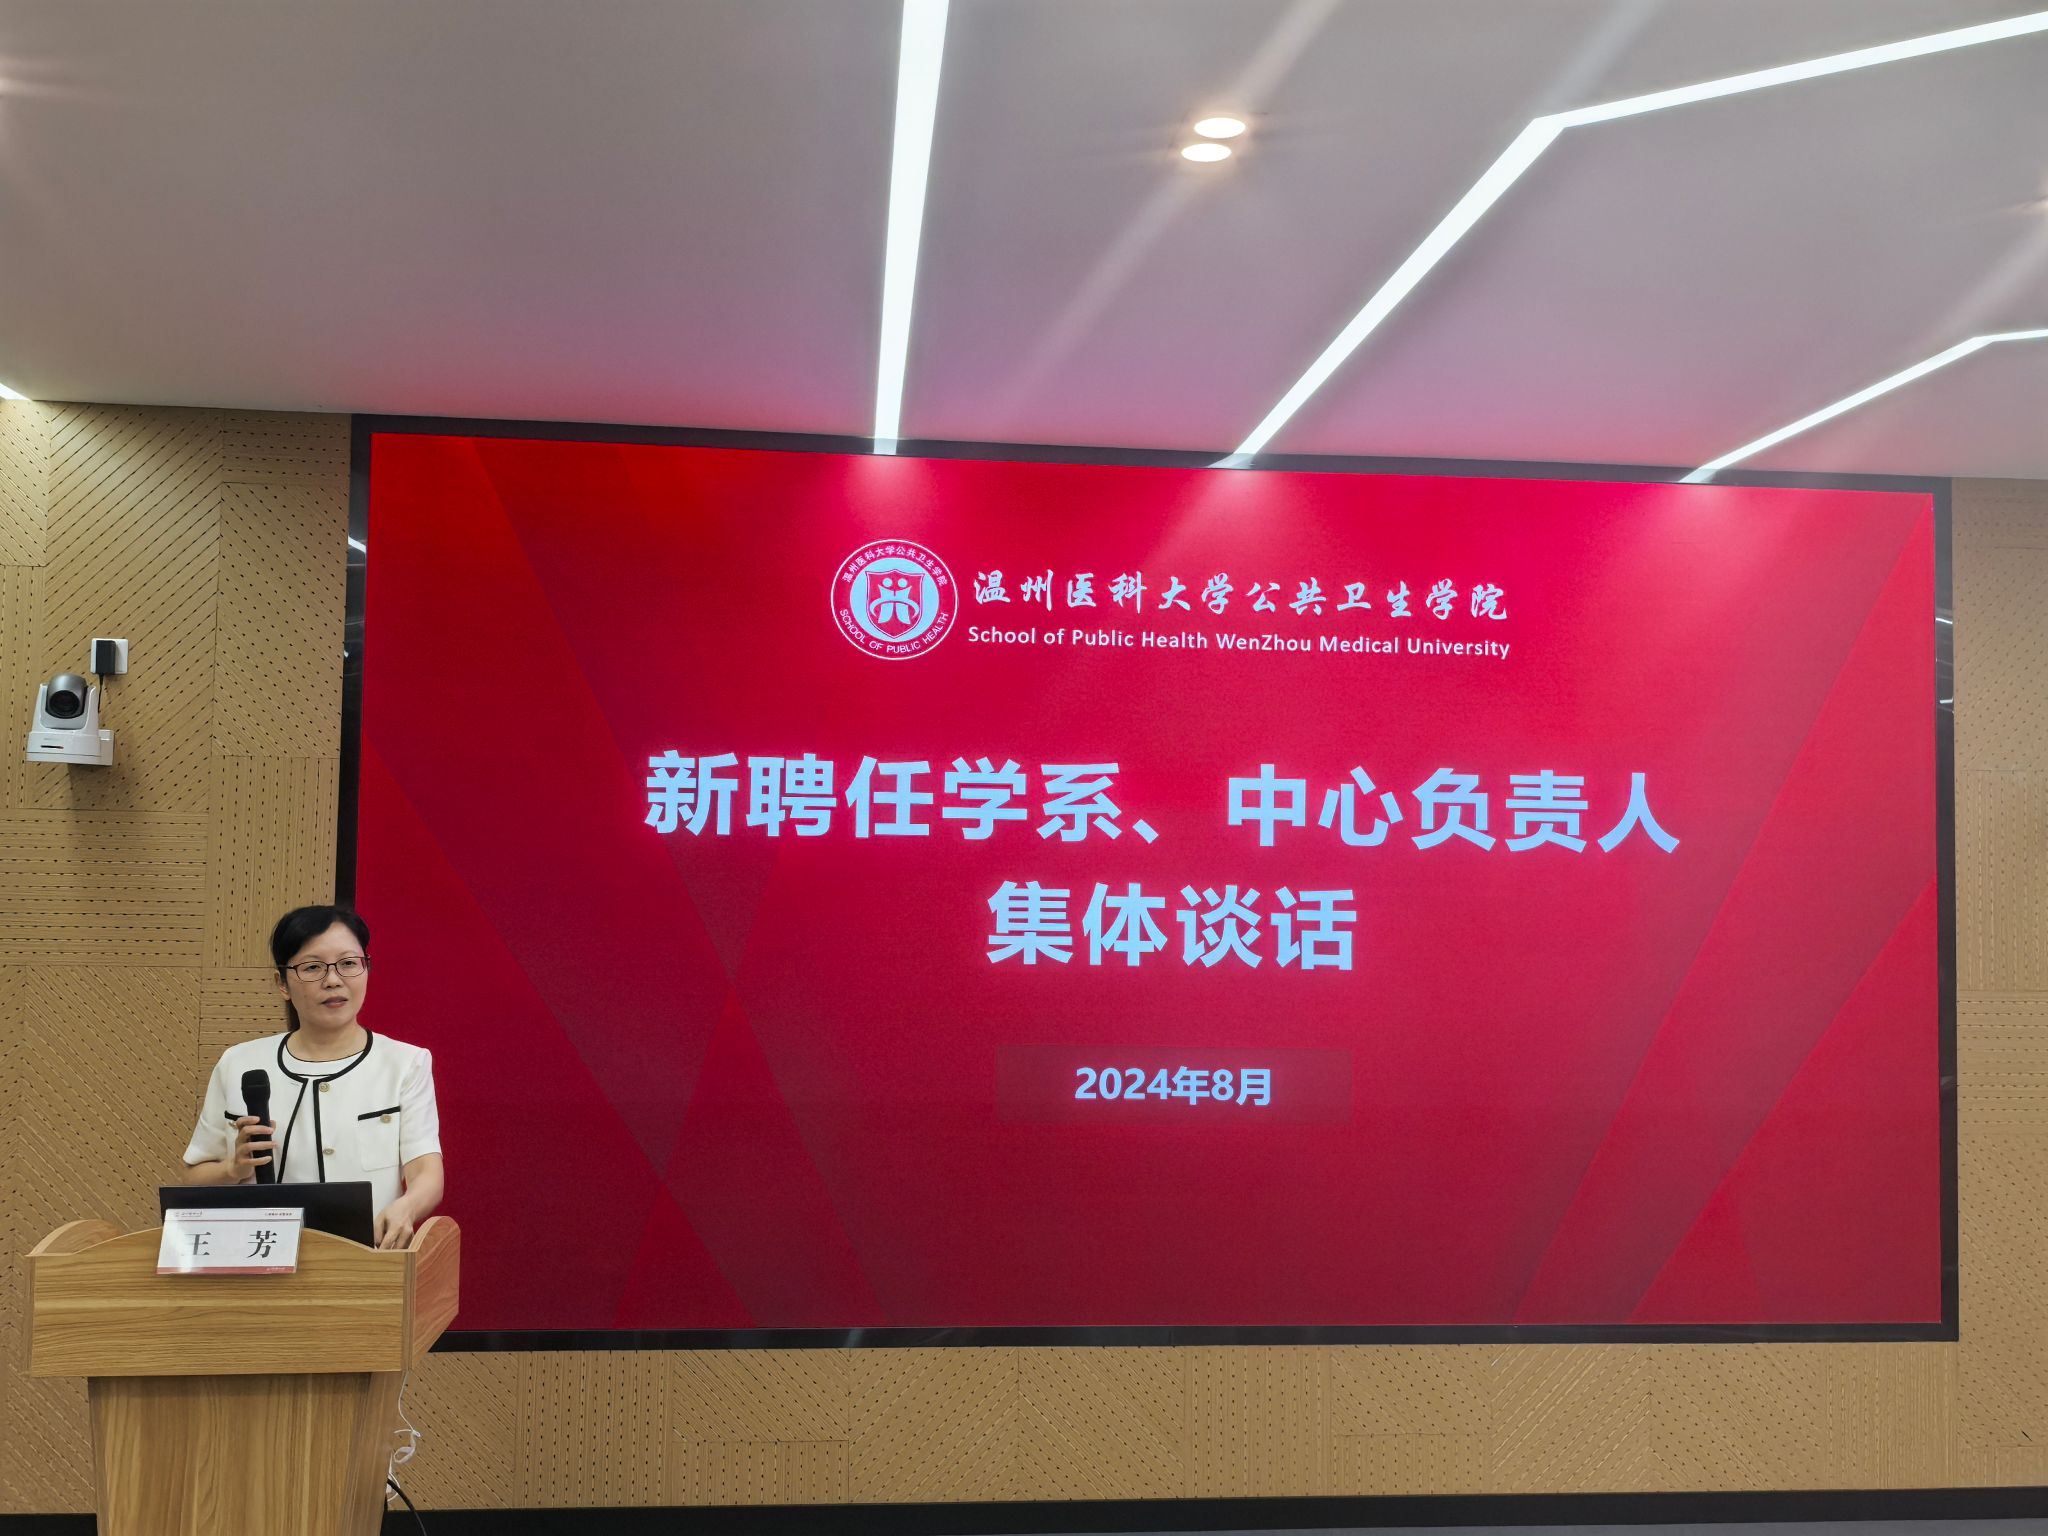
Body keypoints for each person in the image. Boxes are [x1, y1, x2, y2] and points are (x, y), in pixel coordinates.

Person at [183, 904, 444, 1250]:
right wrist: (233, 1168)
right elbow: (194, 1176)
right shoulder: (240, 1063)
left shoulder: (404, 1064)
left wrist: (406, 1207)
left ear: (366, 968)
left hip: (366, 1260)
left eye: (348, 963)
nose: (333, 980)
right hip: (259, 1258)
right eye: (312, 967)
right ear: (282, 984)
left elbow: (426, 1171)